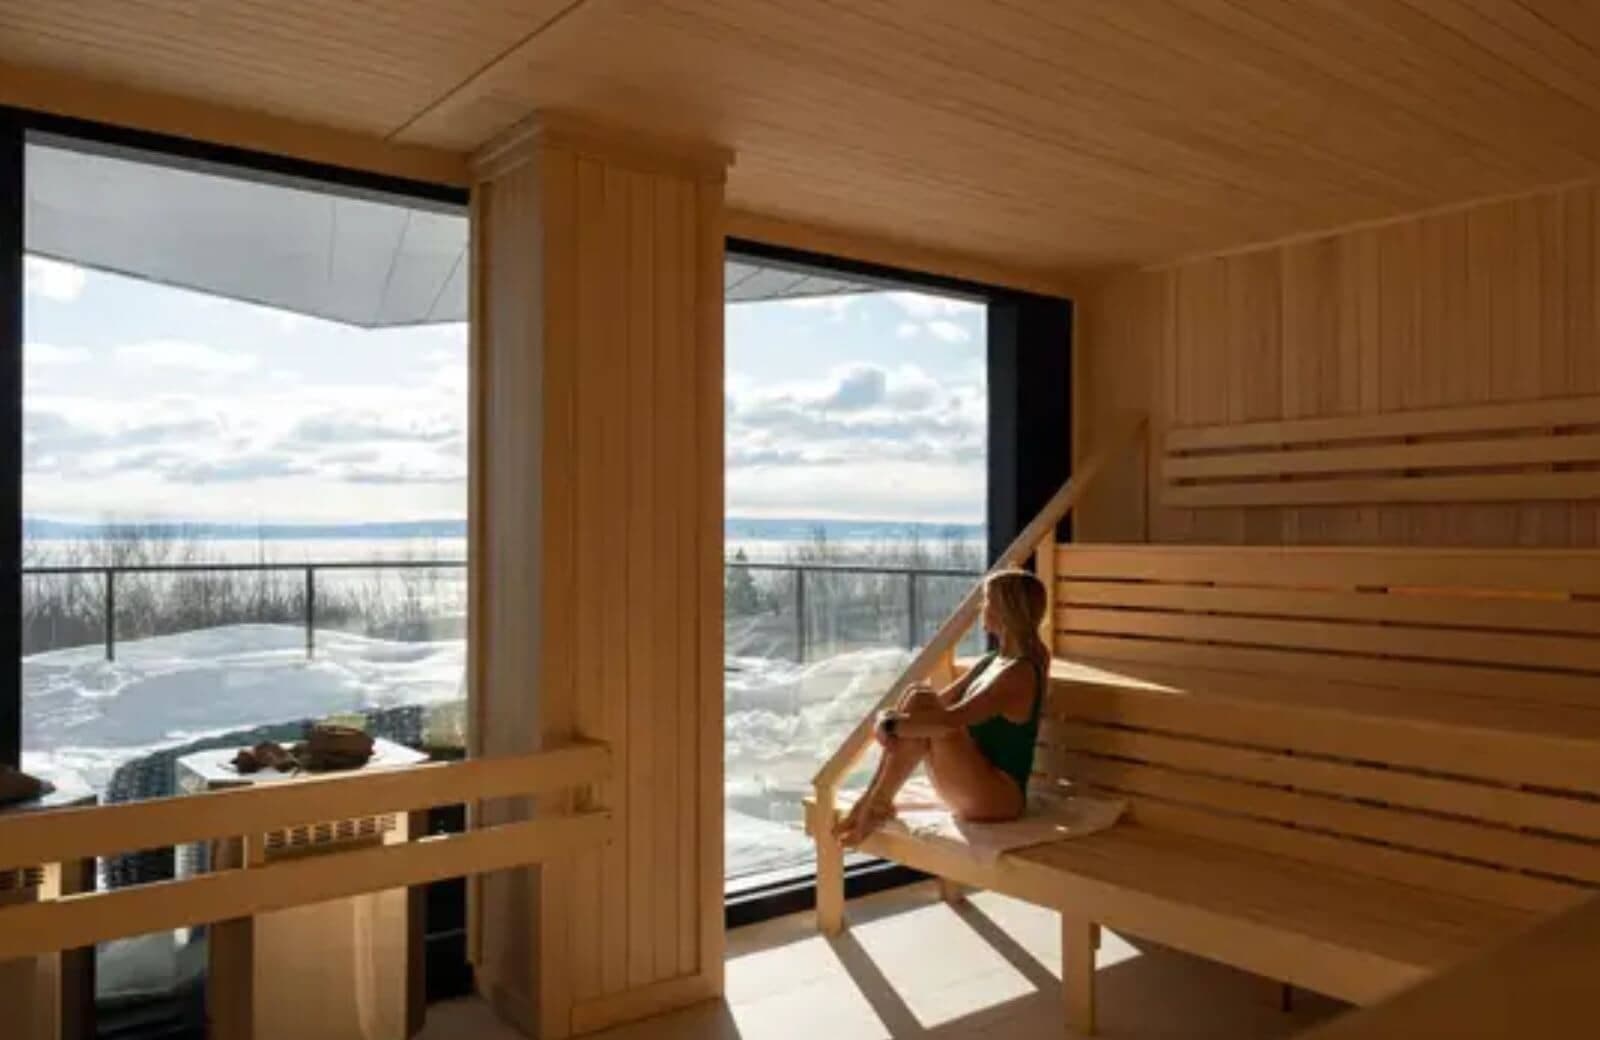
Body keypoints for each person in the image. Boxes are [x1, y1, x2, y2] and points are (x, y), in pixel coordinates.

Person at [833, 568, 1049, 846]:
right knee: (919, 695)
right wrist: (887, 717)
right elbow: (937, 703)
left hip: (998, 798)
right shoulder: (993, 661)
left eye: (987, 601)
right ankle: (875, 800)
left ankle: (876, 801)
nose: (982, 608)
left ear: (1005, 610)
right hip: (972, 783)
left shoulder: (1020, 673)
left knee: (935, 722)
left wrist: (890, 725)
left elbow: (949, 722)